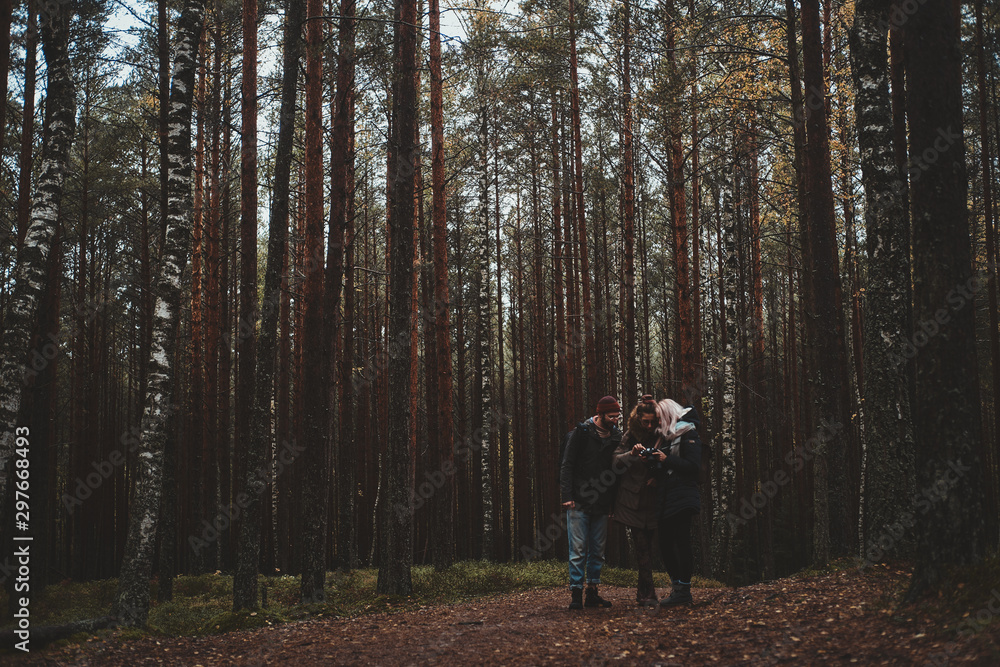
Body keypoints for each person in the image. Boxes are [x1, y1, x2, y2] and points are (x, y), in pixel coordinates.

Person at [560, 395, 623, 610]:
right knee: (577, 550)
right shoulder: (582, 432)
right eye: (612, 416)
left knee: (598, 551)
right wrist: (567, 496)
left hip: (603, 502)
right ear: (601, 414)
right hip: (579, 501)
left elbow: (617, 473)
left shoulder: (616, 437)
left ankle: (592, 593)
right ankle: (576, 594)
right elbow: (567, 465)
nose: (615, 420)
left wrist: (613, 504)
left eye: (617, 416)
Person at [613, 394, 665, 606]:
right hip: (633, 502)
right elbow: (615, 463)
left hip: (655, 502)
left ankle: (642, 591)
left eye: (653, 422)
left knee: (651, 548)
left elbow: (671, 461)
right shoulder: (629, 436)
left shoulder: (664, 435)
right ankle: (649, 593)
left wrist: (658, 477)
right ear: (638, 419)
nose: (650, 425)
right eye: (646, 422)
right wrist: (632, 453)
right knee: (641, 546)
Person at [654, 398, 703, 606]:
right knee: (665, 543)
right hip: (667, 496)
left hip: (683, 495)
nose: (657, 423)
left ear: (668, 415)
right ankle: (677, 588)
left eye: (659, 418)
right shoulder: (665, 438)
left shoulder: (688, 433)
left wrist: (666, 460)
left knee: (682, 541)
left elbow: (693, 466)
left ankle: (684, 590)